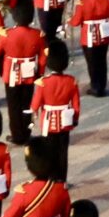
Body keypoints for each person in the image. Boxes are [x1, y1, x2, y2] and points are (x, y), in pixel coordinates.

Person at [30, 38, 83, 181]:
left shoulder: (44, 83)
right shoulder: (71, 81)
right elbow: (76, 103)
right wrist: (75, 118)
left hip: (49, 122)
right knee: (62, 152)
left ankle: (52, 177)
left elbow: (36, 104)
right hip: (65, 121)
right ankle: (62, 179)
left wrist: (32, 110)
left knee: (50, 151)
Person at [0, 0, 47, 143]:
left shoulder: (7, 34)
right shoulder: (37, 35)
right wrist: (40, 71)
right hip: (29, 73)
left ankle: (16, 134)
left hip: (11, 75)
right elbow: (43, 56)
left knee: (13, 106)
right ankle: (26, 133)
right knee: (26, 103)